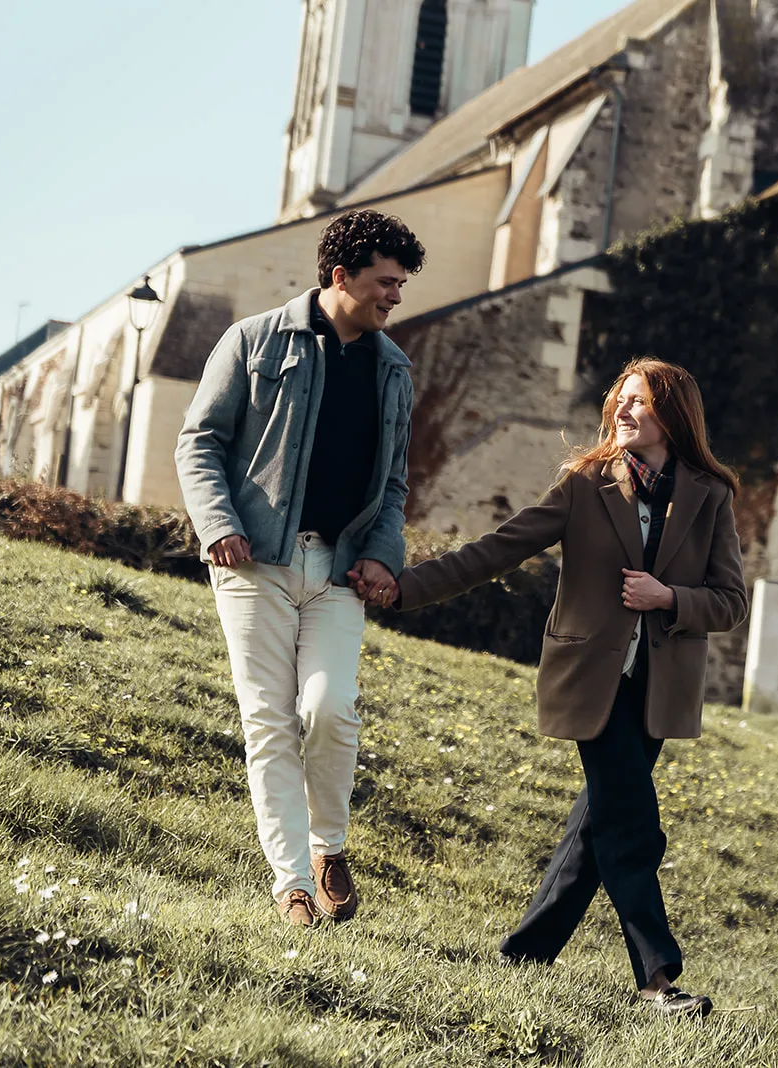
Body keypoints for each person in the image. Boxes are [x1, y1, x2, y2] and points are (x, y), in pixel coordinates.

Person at [379, 358, 746, 1017]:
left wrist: (670, 597)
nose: (623, 412)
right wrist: (404, 590)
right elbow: (498, 549)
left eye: (639, 402)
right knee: (632, 825)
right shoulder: (585, 485)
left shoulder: (709, 495)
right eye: (620, 401)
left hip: (659, 691)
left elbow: (729, 603)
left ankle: (525, 955)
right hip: (589, 680)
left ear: (673, 414)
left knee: (596, 826)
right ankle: (658, 981)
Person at [174, 210, 424, 928]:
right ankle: (290, 886)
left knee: (329, 708)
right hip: (255, 564)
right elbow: (200, 443)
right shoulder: (253, 341)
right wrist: (218, 526)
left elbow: (395, 485)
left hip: (340, 571)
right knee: (268, 721)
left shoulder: (394, 370)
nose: (395, 298)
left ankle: (330, 847)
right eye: (385, 282)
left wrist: (382, 553)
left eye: (401, 284)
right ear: (339, 276)